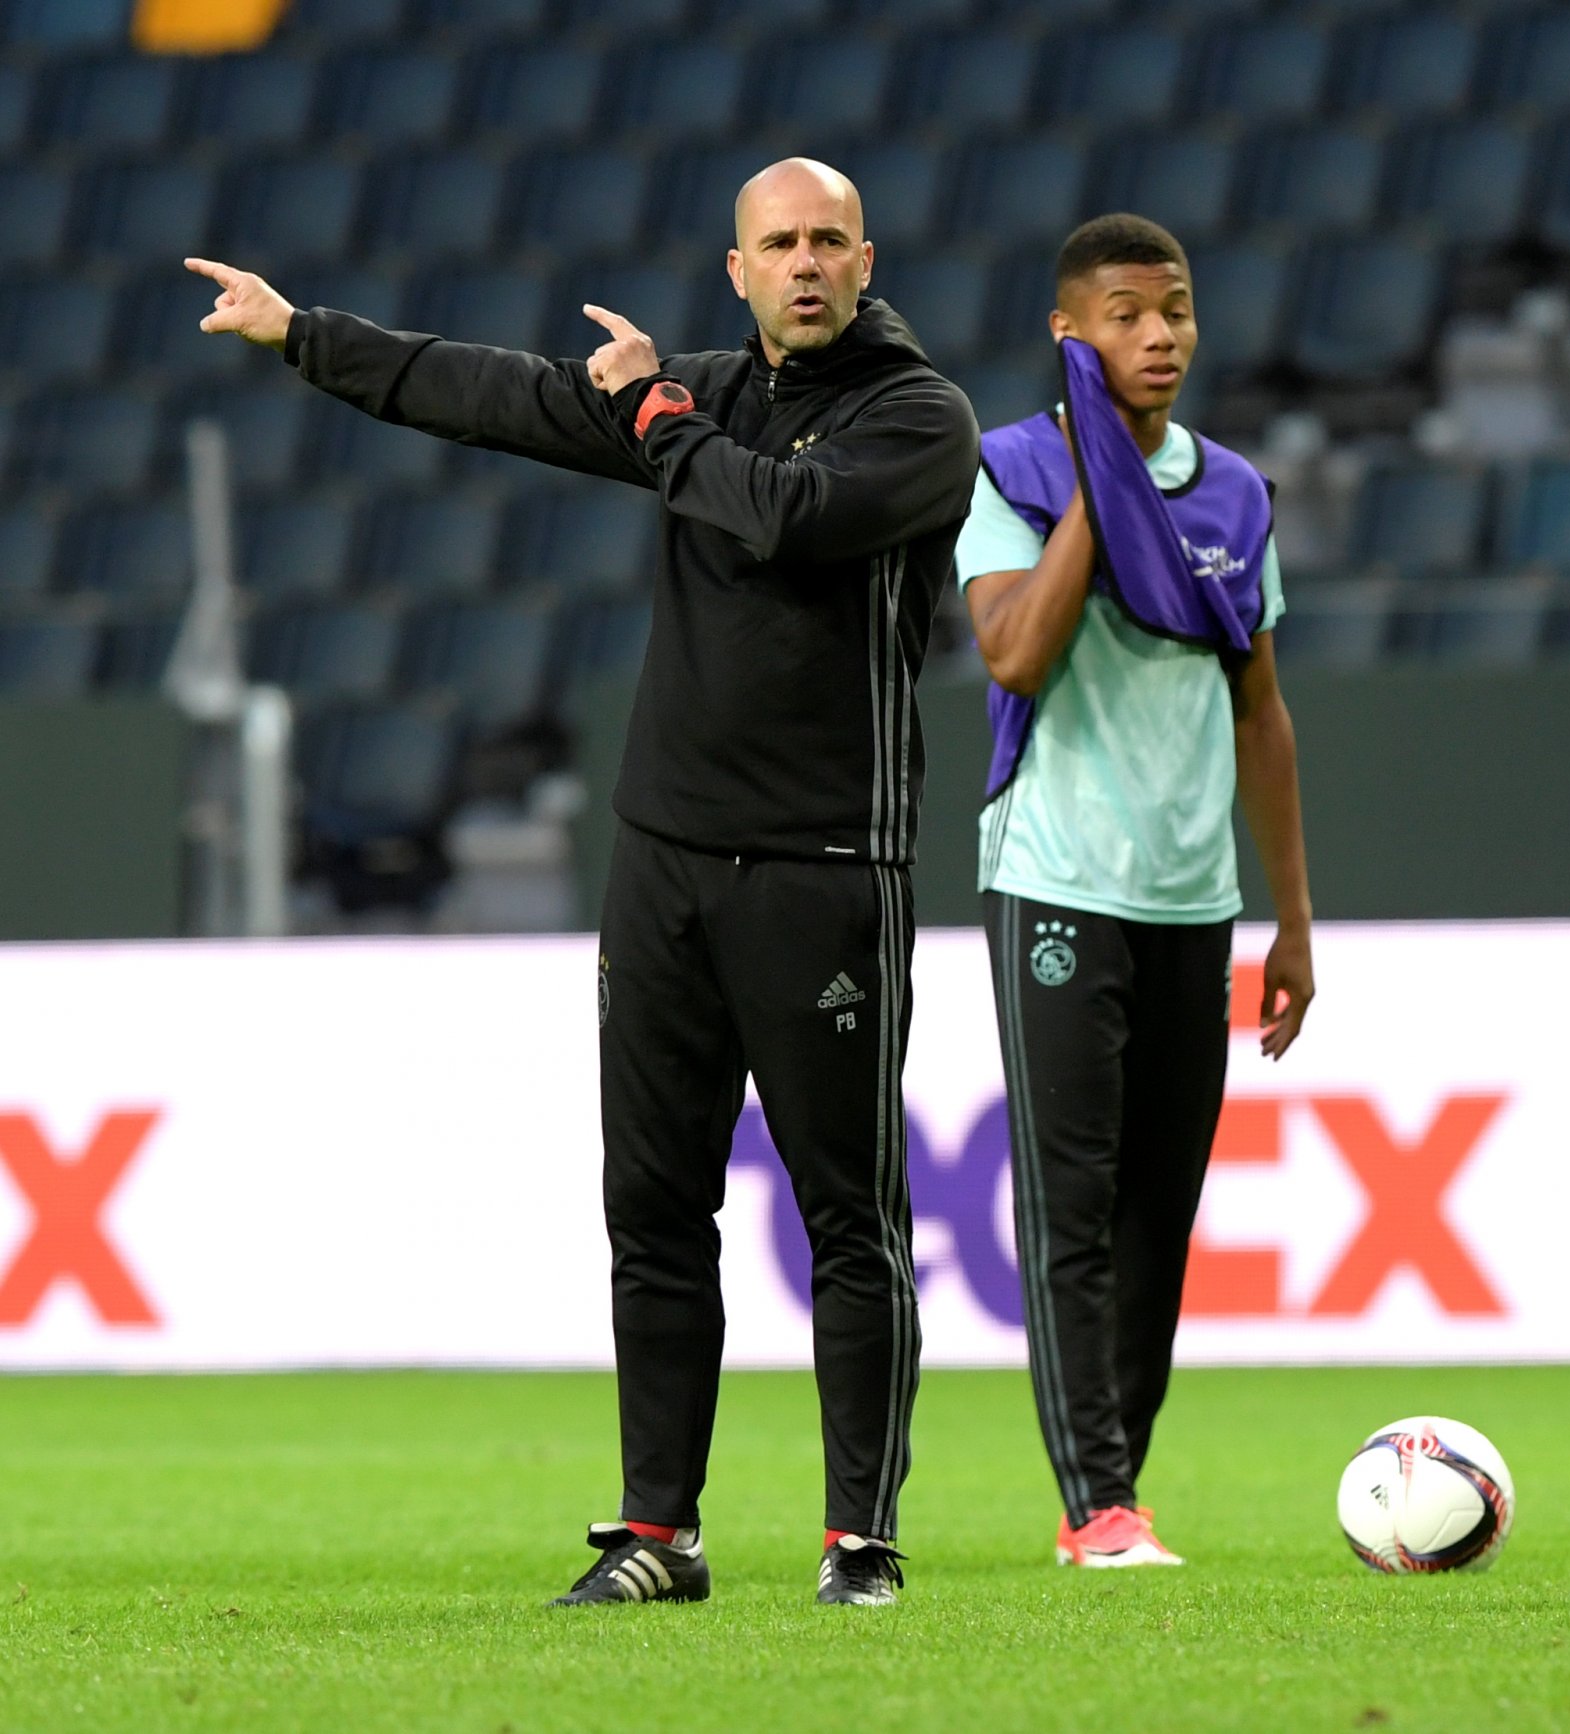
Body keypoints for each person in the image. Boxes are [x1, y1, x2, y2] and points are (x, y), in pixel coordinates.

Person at [188, 157, 980, 1608]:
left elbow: (785, 519)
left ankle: (859, 1539)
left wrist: (658, 414)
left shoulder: (919, 416)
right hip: (664, 862)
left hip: (824, 868)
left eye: (826, 242)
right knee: (655, 1206)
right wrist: (306, 333)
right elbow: (497, 394)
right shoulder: (698, 393)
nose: (803, 265)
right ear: (735, 270)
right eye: (776, 245)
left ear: (867, 261)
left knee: (849, 1216)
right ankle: (657, 1533)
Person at [957, 213, 1315, 1568]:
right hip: (1056, 877)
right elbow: (1014, 656)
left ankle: (1115, 1491)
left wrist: (1291, 915)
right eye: (1125, 314)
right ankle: (1096, 1502)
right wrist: (1101, 492)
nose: (1157, 334)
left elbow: (1263, 713)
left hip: (1190, 897)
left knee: (1159, 1217)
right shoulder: (1012, 471)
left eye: (1173, 311)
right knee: (1073, 1199)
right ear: (1071, 334)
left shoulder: (1234, 495)